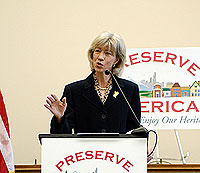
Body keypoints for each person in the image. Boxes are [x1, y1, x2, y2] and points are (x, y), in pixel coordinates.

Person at [44, 31, 141, 134]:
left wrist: (142, 143)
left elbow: (134, 130)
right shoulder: (74, 91)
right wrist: (60, 119)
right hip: (85, 150)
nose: (100, 57)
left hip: (118, 150)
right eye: (97, 51)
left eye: (107, 53)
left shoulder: (129, 90)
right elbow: (63, 136)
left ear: (116, 60)